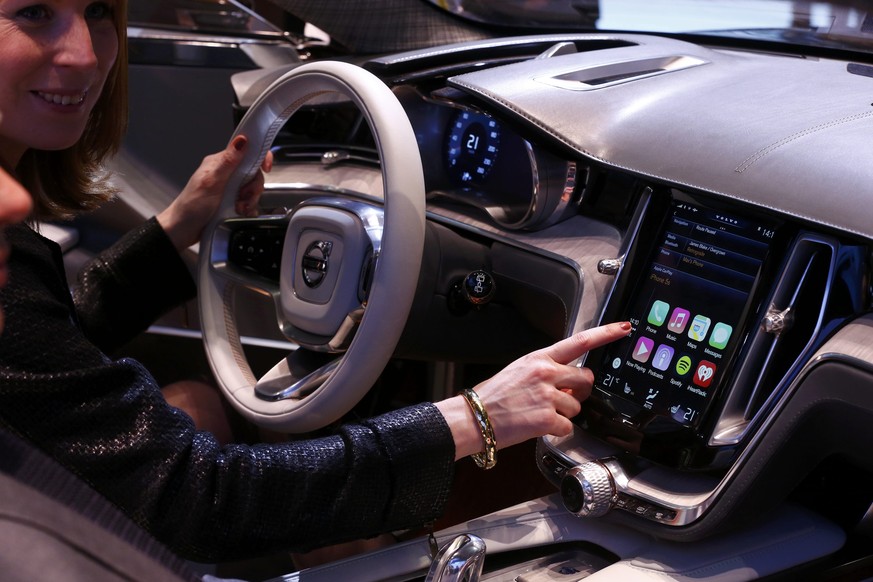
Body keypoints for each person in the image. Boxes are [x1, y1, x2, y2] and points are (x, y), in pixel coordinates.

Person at [0, 0, 631, 566]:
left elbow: (46, 359)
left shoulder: (18, 268)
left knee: (196, 400)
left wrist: (176, 228)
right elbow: (213, 502)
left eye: (99, 13)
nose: (85, 54)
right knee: (365, 548)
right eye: (32, 13)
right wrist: (475, 417)